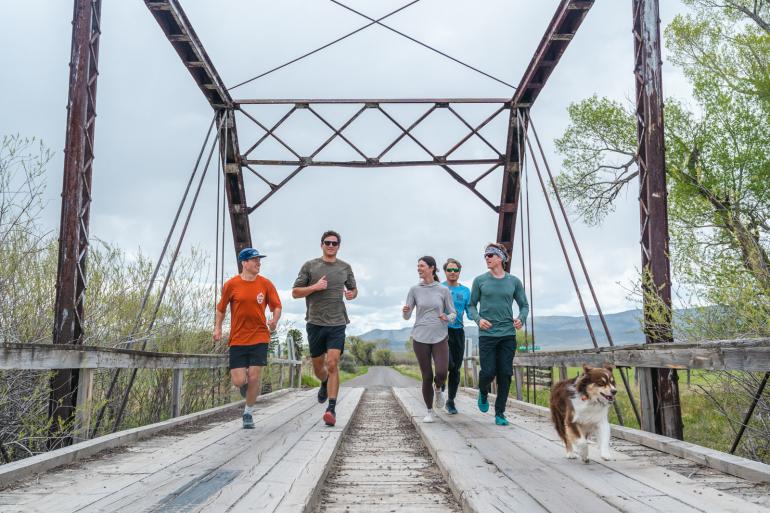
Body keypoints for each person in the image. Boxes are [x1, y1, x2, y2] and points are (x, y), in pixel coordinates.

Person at [292, 230, 357, 427]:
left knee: (333, 362)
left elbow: (353, 289)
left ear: (338, 246)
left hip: (337, 322)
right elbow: (295, 292)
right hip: (315, 322)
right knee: (320, 368)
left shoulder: (345, 267)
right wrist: (315, 287)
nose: (331, 246)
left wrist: (352, 294)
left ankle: (331, 408)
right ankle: (323, 382)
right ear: (321, 245)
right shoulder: (310, 266)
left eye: (334, 243)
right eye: (327, 243)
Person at [214, 248, 282, 429]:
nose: (258, 263)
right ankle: (247, 390)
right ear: (244, 263)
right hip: (237, 339)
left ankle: (248, 413)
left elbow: (277, 306)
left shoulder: (266, 284)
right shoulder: (231, 285)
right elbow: (221, 308)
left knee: (253, 377)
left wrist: (274, 320)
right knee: (239, 380)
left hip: (260, 336)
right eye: (254, 260)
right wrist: (218, 327)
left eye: (259, 260)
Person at [468, 243, 528, 426]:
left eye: (490, 255)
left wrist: (521, 319)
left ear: (500, 258)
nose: (487, 258)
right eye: (485, 255)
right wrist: (479, 320)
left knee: (505, 373)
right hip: (487, 335)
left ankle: (500, 413)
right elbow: (471, 306)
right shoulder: (480, 281)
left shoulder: (514, 281)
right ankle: (483, 392)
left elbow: (524, 305)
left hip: (507, 335)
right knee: (488, 371)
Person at [403, 256, 456, 423]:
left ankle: (439, 389)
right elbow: (407, 316)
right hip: (420, 337)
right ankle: (429, 411)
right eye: (418, 266)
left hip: (440, 336)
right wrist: (405, 311)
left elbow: (453, 314)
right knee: (426, 375)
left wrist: (447, 317)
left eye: (422, 266)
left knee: (441, 372)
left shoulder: (443, 290)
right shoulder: (414, 290)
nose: (419, 268)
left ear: (432, 268)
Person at [441, 258, 472, 415]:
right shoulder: (439, 288)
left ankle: (450, 401)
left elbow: (470, 310)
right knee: (449, 364)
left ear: (459, 272)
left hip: (459, 331)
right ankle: (440, 382)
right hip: (442, 331)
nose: (452, 273)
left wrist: (480, 317)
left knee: (456, 369)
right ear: (445, 272)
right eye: (449, 270)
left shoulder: (465, 291)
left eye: (455, 270)